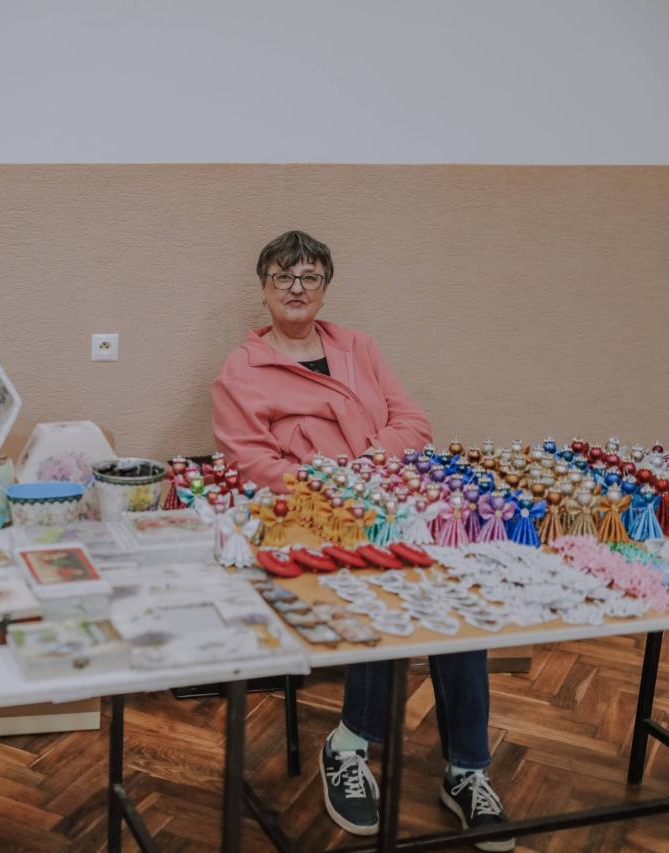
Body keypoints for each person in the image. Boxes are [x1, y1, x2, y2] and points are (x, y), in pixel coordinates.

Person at [211, 230, 513, 851]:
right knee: (377, 593)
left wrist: (370, 462)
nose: (297, 288)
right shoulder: (243, 368)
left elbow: (414, 422)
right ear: (263, 288)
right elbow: (249, 462)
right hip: (311, 517)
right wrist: (331, 484)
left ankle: (467, 771)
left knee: (455, 597)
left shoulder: (360, 347)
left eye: (310, 277)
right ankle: (348, 745)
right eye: (283, 276)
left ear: (325, 287)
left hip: (393, 506)